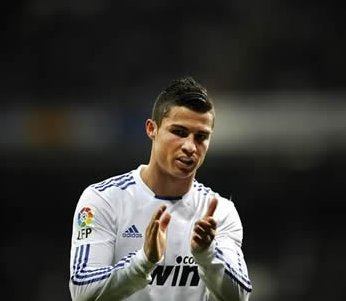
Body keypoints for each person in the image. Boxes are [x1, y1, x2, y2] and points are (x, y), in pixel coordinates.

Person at [69, 76, 252, 300]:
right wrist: (144, 261)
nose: (190, 147)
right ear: (151, 129)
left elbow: (240, 297)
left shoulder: (220, 212)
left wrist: (207, 254)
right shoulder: (103, 200)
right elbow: (82, 292)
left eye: (201, 137)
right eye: (179, 132)